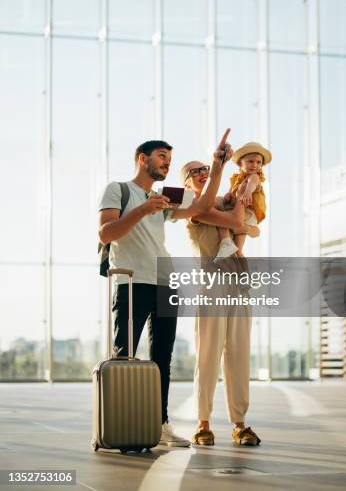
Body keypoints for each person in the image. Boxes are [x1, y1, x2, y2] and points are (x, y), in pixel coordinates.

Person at [98, 130, 232, 447]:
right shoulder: (118, 190)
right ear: (143, 159)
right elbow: (106, 233)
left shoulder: (165, 198)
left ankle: (160, 426)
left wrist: (218, 166)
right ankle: (123, 424)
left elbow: (201, 207)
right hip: (131, 280)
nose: (167, 163)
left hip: (164, 281)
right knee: (124, 358)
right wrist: (144, 209)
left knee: (163, 358)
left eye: (170, 159)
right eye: (162, 157)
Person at [180, 159, 261, 447]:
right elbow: (239, 223)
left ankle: (240, 424)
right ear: (187, 183)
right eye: (195, 172)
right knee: (208, 355)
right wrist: (242, 198)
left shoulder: (226, 200)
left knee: (239, 353)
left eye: (205, 169)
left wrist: (248, 186)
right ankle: (203, 424)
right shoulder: (194, 209)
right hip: (211, 285)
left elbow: (252, 223)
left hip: (238, 285)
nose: (202, 174)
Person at [214, 142, 272, 263]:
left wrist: (247, 192)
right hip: (246, 216)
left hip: (248, 213)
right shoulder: (237, 180)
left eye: (258, 162)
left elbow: (252, 184)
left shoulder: (254, 177)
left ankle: (225, 242)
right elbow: (233, 193)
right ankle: (245, 276)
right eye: (250, 161)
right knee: (238, 250)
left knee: (222, 218)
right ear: (240, 163)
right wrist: (229, 195)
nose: (255, 165)